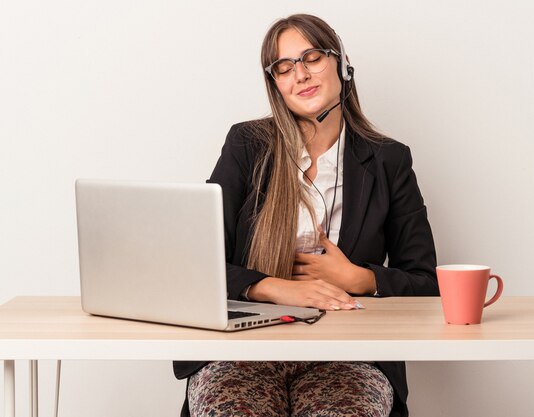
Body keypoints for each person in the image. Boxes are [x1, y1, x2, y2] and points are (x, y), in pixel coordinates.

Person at [174, 13, 438, 417]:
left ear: (341, 64)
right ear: (275, 84)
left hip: (349, 354)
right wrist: (271, 287)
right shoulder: (246, 145)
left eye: (311, 57)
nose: (300, 75)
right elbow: (195, 261)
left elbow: (427, 283)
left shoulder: (389, 160)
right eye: (284, 67)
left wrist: (359, 279)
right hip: (243, 351)